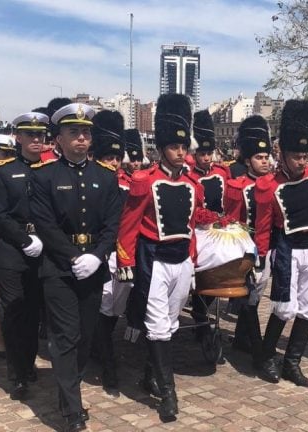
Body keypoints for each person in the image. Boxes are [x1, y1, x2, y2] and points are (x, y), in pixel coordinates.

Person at [29, 103, 122, 431]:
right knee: (65, 337)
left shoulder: (106, 177)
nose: (82, 138)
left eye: (86, 132)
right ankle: (72, 407)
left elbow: (113, 223)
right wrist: (72, 256)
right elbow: (45, 224)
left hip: (93, 266)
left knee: (85, 337)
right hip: (59, 268)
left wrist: (97, 255)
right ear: (59, 138)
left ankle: (67, 386)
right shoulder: (44, 176)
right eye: (74, 132)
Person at [116, 93, 205, 420]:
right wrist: (125, 261)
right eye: (174, 147)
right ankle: (169, 395)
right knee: (156, 326)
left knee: (169, 323)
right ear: (161, 149)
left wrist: (192, 263)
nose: (180, 153)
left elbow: (191, 226)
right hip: (153, 260)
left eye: (184, 147)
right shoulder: (143, 181)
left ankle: (149, 375)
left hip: (181, 261)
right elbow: (129, 225)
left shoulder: (194, 185)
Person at [253, 100, 308, 387]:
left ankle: (293, 362)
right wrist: (260, 257)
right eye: (297, 156)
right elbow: (264, 227)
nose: (303, 161)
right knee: (284, 308)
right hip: (287, 252)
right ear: (283, 155)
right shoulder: (269, 185)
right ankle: (266, 357)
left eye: (306, 155)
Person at [0, 112, 48, 400]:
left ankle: (29, 360)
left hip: (43, 249)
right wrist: (24, 240)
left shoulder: (52, 170)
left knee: (35, 310)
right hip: (14, 249)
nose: (36, 140)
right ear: (19, 138)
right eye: (30, 135)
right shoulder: (4, 170)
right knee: (14, 310)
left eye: (41, 135)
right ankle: (17, 373)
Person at [224, 115, 273, 356]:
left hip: (268, 249)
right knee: (250, 298)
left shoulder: (274, 184)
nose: (264, 162)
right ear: (248, 159)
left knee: (255, 297)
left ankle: (242, 340)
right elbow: (233, 223)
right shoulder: (237, 186)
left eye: (266, 157)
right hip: (246, 250)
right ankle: (259, 349)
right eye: (259, 158)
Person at [89, 109, 131, 390]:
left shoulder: (128, 183)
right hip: (99, 252)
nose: (114, 163)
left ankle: (100, 347)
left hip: (122, 255)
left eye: (117, 158)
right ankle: (108, 364)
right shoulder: (90, 182)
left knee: (115, 309)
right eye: (108, 158)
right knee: (102, 306)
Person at [186, 109, 231, 346]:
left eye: (209, 153)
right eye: (201, 153)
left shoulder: (222, 172)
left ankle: (204, 309)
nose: (206, 157)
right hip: (198, 230)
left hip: (220, 229)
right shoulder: (188, 175)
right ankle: (200, 313)